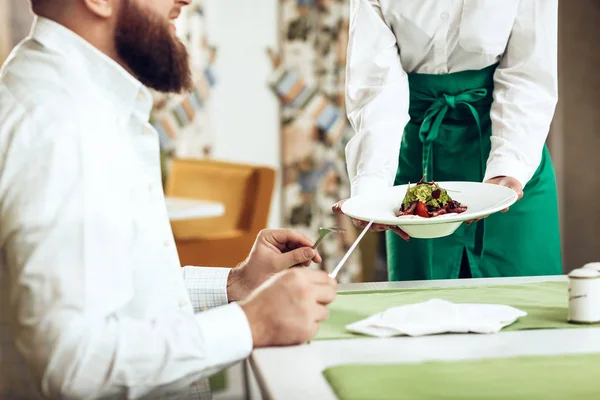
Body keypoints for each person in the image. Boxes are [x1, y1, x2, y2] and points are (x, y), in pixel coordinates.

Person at [0, 0, 337, 398]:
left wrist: (235, 284)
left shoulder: (75, 100)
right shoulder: (61, 127)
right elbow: (76, 362)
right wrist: (252, 323)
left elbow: (119, 291)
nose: (185, 1)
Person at [334, 0, 561, 281]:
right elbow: (376, 86)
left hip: (514, 154)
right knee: (419, 313)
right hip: (419, 156)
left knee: (530, 308)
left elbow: (529, 75)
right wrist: (370, 187)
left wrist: (509, 166)